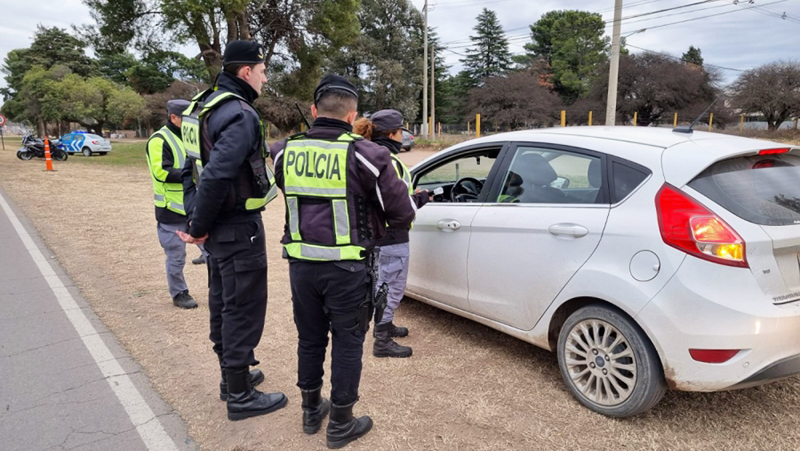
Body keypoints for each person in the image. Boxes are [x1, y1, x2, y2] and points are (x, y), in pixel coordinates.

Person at [270, 74, 416, 449]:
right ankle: (341, 423)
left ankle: (309, 410)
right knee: (348, 344)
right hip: (348, 268)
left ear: (315, 110)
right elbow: (402, 213)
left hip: (301, 266)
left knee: (310, 339)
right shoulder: (368, 154)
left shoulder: (285, 151)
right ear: (352, 116)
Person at [176, 40, 285, 421]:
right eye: (262, 71)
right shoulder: (239, 114)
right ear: (246, 73)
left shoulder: (203, 105)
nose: (265, 77)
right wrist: (198, 227)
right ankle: (239, 396)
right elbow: (219, 174)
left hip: (218, 227)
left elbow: (192, 170)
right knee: (242, 308)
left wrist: (196, 222)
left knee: (224, 301)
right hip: (236, 227)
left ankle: (231, 378)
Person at [353, 110, 431, 358]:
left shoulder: (364, 156)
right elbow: (396, 203)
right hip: (392, 236)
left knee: (383, 283)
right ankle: (382, 340)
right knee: (392, 287)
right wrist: (420, 198)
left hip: (374, 235)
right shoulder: (389, 161)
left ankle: (385, 324)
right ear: (391, 134)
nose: (403, 136)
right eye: (401, 131)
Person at [146, 99, 207, 309]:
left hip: (194, 206)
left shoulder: (191, 137)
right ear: (174, 117)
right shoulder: (159, 140)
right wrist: (192, 175)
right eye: (188, 117)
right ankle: (179, 293)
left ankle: (221, 288)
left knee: (212, 249)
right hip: (170, 210)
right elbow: (160, 172)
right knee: (176, 255)